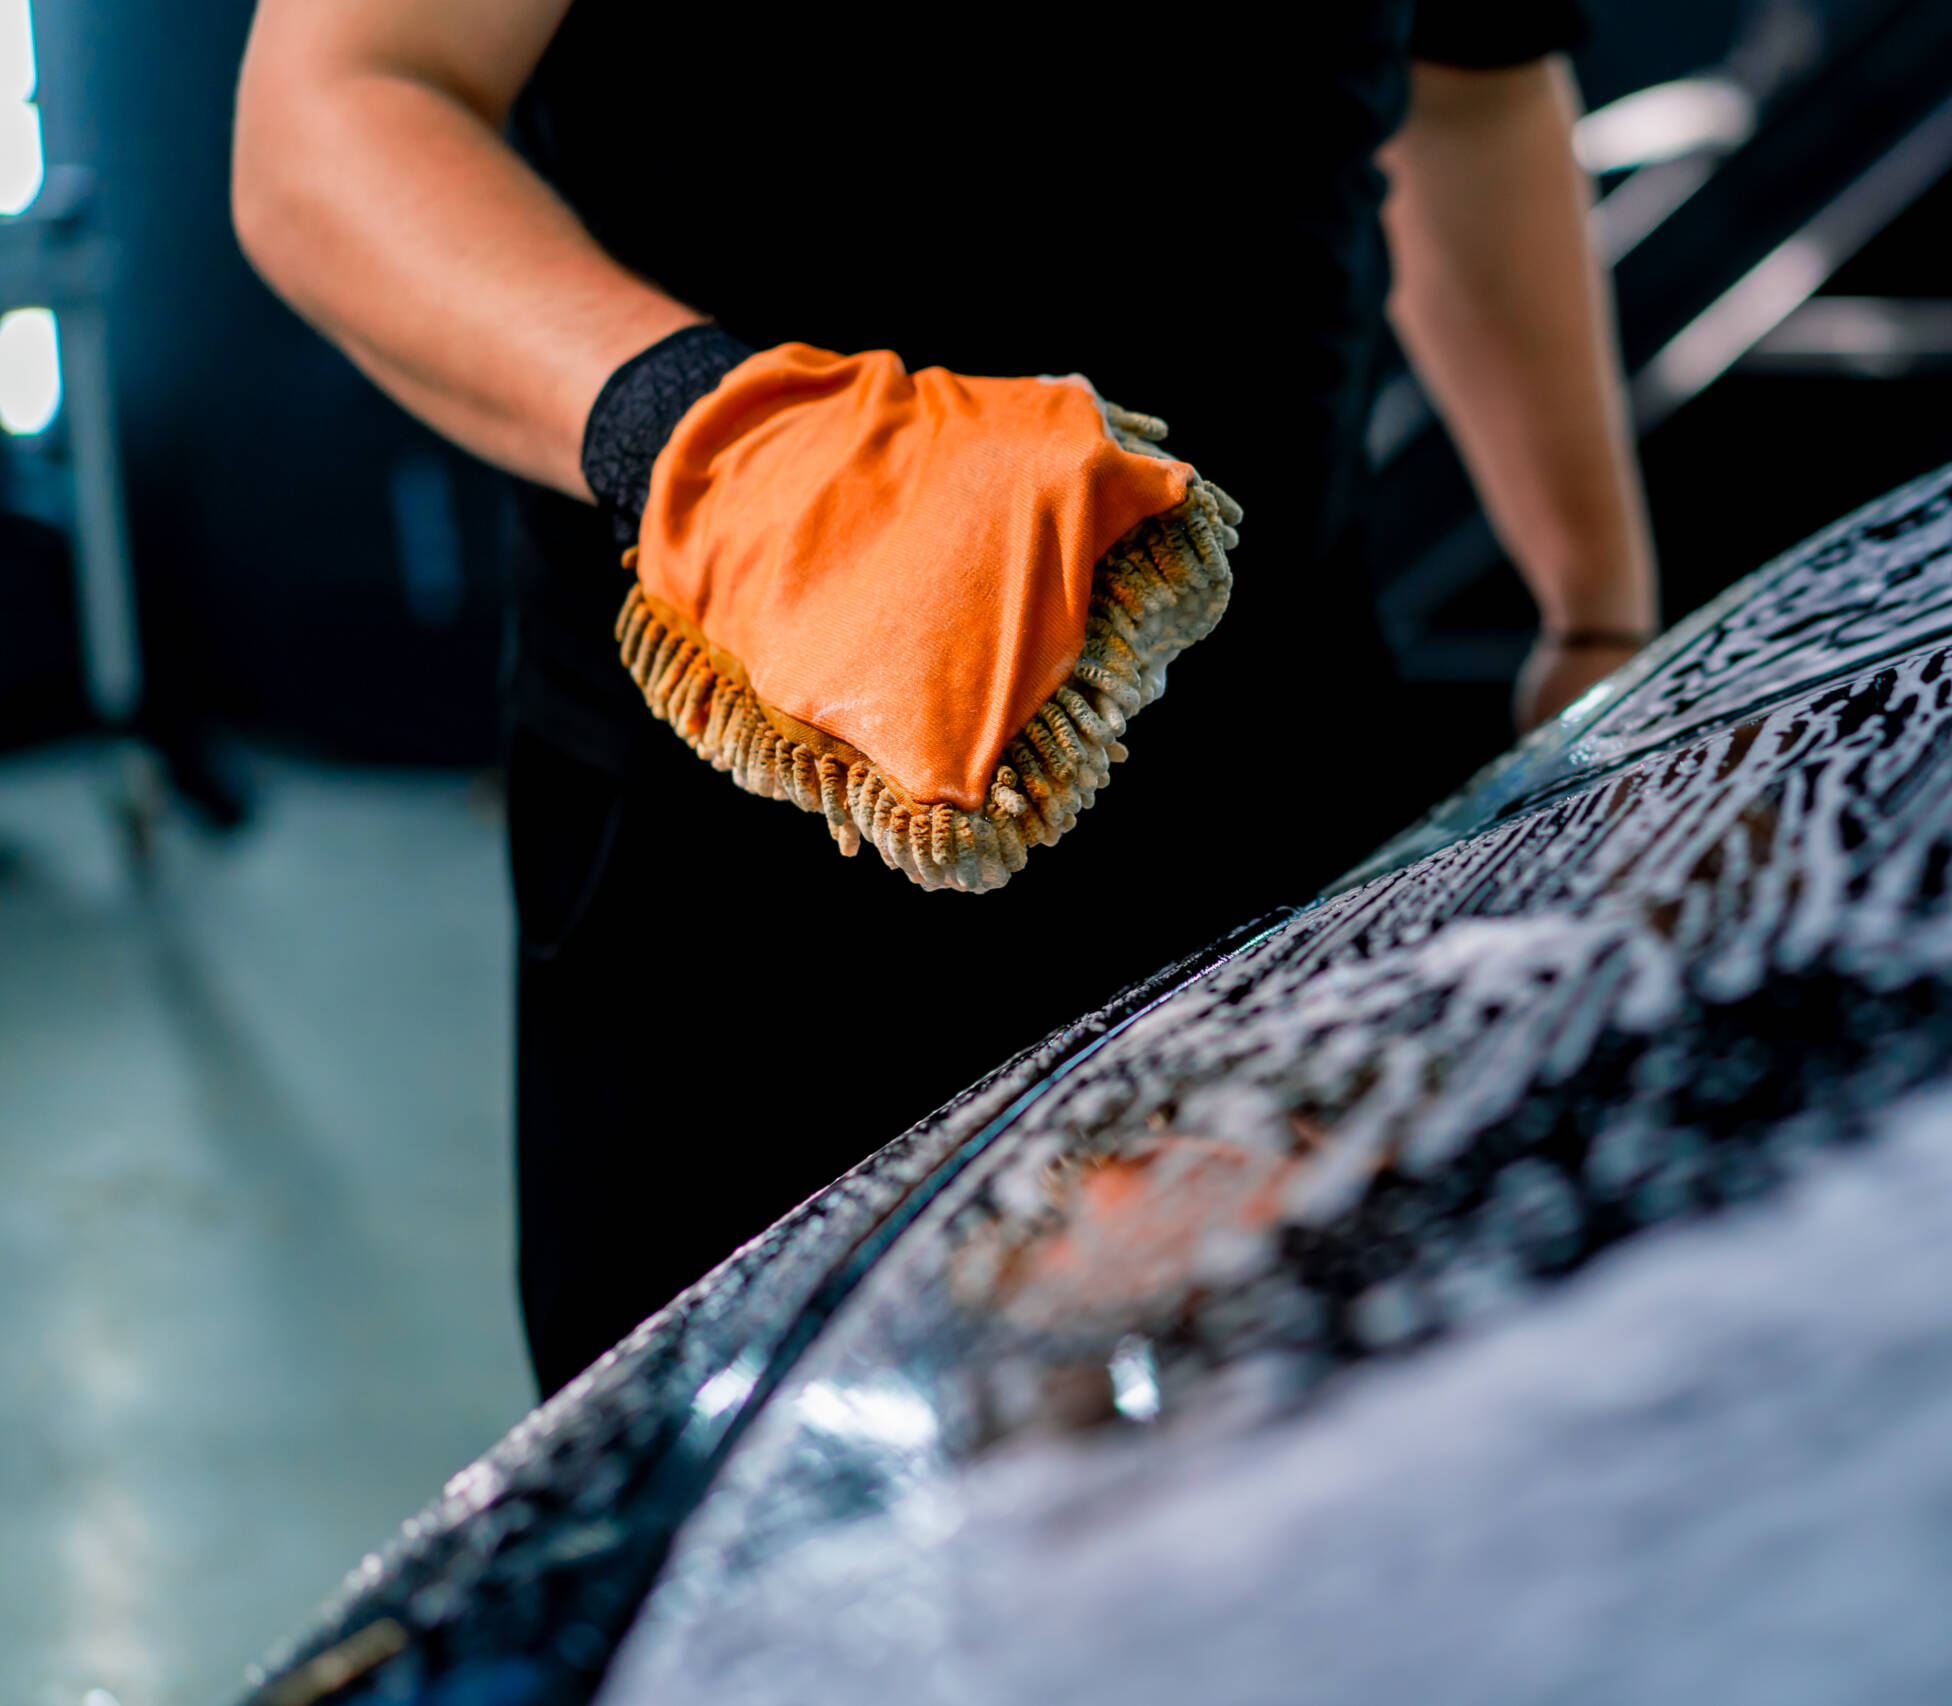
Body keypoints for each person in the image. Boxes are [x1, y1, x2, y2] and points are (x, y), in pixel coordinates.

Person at [231, 0, 1660, 1397]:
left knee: (1291, 1497)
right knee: (770, 1552)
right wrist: (712, 431)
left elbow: (1472, 95)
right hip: (747, 872)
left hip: (1281, 796)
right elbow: (340, 106)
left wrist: (1599, 609)